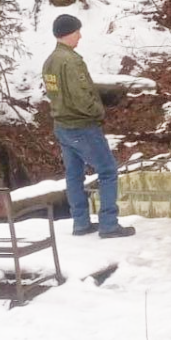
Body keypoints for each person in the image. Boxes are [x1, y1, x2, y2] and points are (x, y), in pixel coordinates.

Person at [42, 14, 135, 239]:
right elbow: (81, 95)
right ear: (68, 33)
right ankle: (109, 224)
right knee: (108, 170)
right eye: (77, 31)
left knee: (74, 174)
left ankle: (81, 223)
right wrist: (98, 111)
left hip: (62, 125)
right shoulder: (71, 61)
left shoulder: (50, 60)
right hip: (82, 126)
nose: (80, 36)